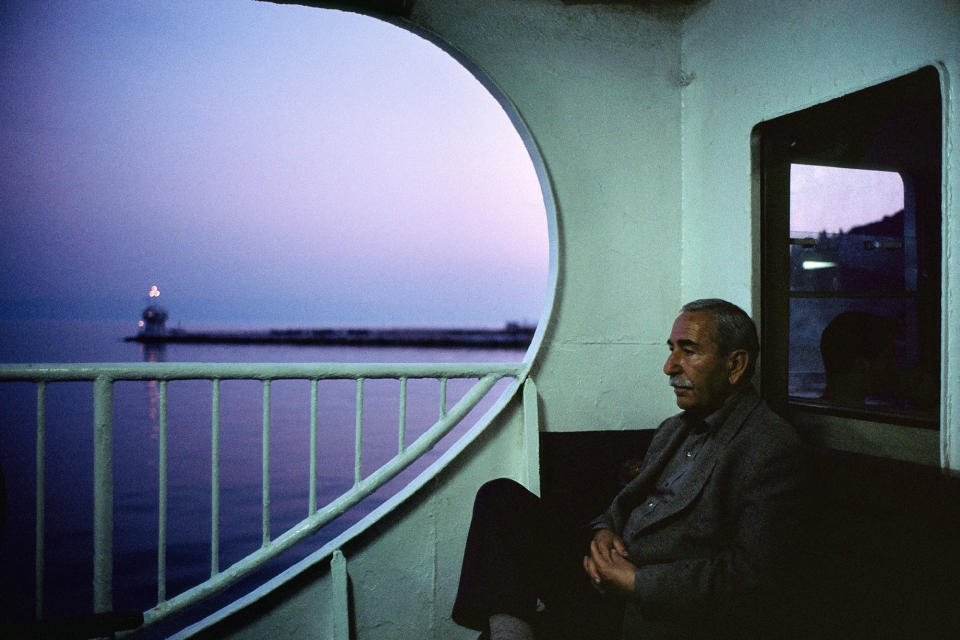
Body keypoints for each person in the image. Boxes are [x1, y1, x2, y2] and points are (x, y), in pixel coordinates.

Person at [452, 299, 805, 639]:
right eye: (671, 349)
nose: (670, 365)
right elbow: (626, 502)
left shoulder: (769, 446)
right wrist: (602, 534)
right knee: (500, 497)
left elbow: (752, 578)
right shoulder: (673, 428)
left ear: (736, 364)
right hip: (606, 567)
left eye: (689, 350)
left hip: (649, 604)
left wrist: (636, 582)